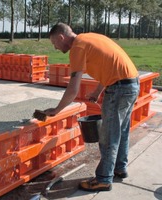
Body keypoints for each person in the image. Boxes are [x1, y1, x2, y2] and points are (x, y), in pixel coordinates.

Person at [44, 22, 140, 192]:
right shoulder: (90, 38)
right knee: (121, 130)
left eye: (54, 43)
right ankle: (119, 168)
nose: (55, 48)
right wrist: (97, 91)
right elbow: (111, 67)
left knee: (108, 135)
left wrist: (56, 110)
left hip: (119, 88)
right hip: (131, 84)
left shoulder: (77, 48)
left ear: (61, 37)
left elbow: (73, 88)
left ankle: (103, 179)